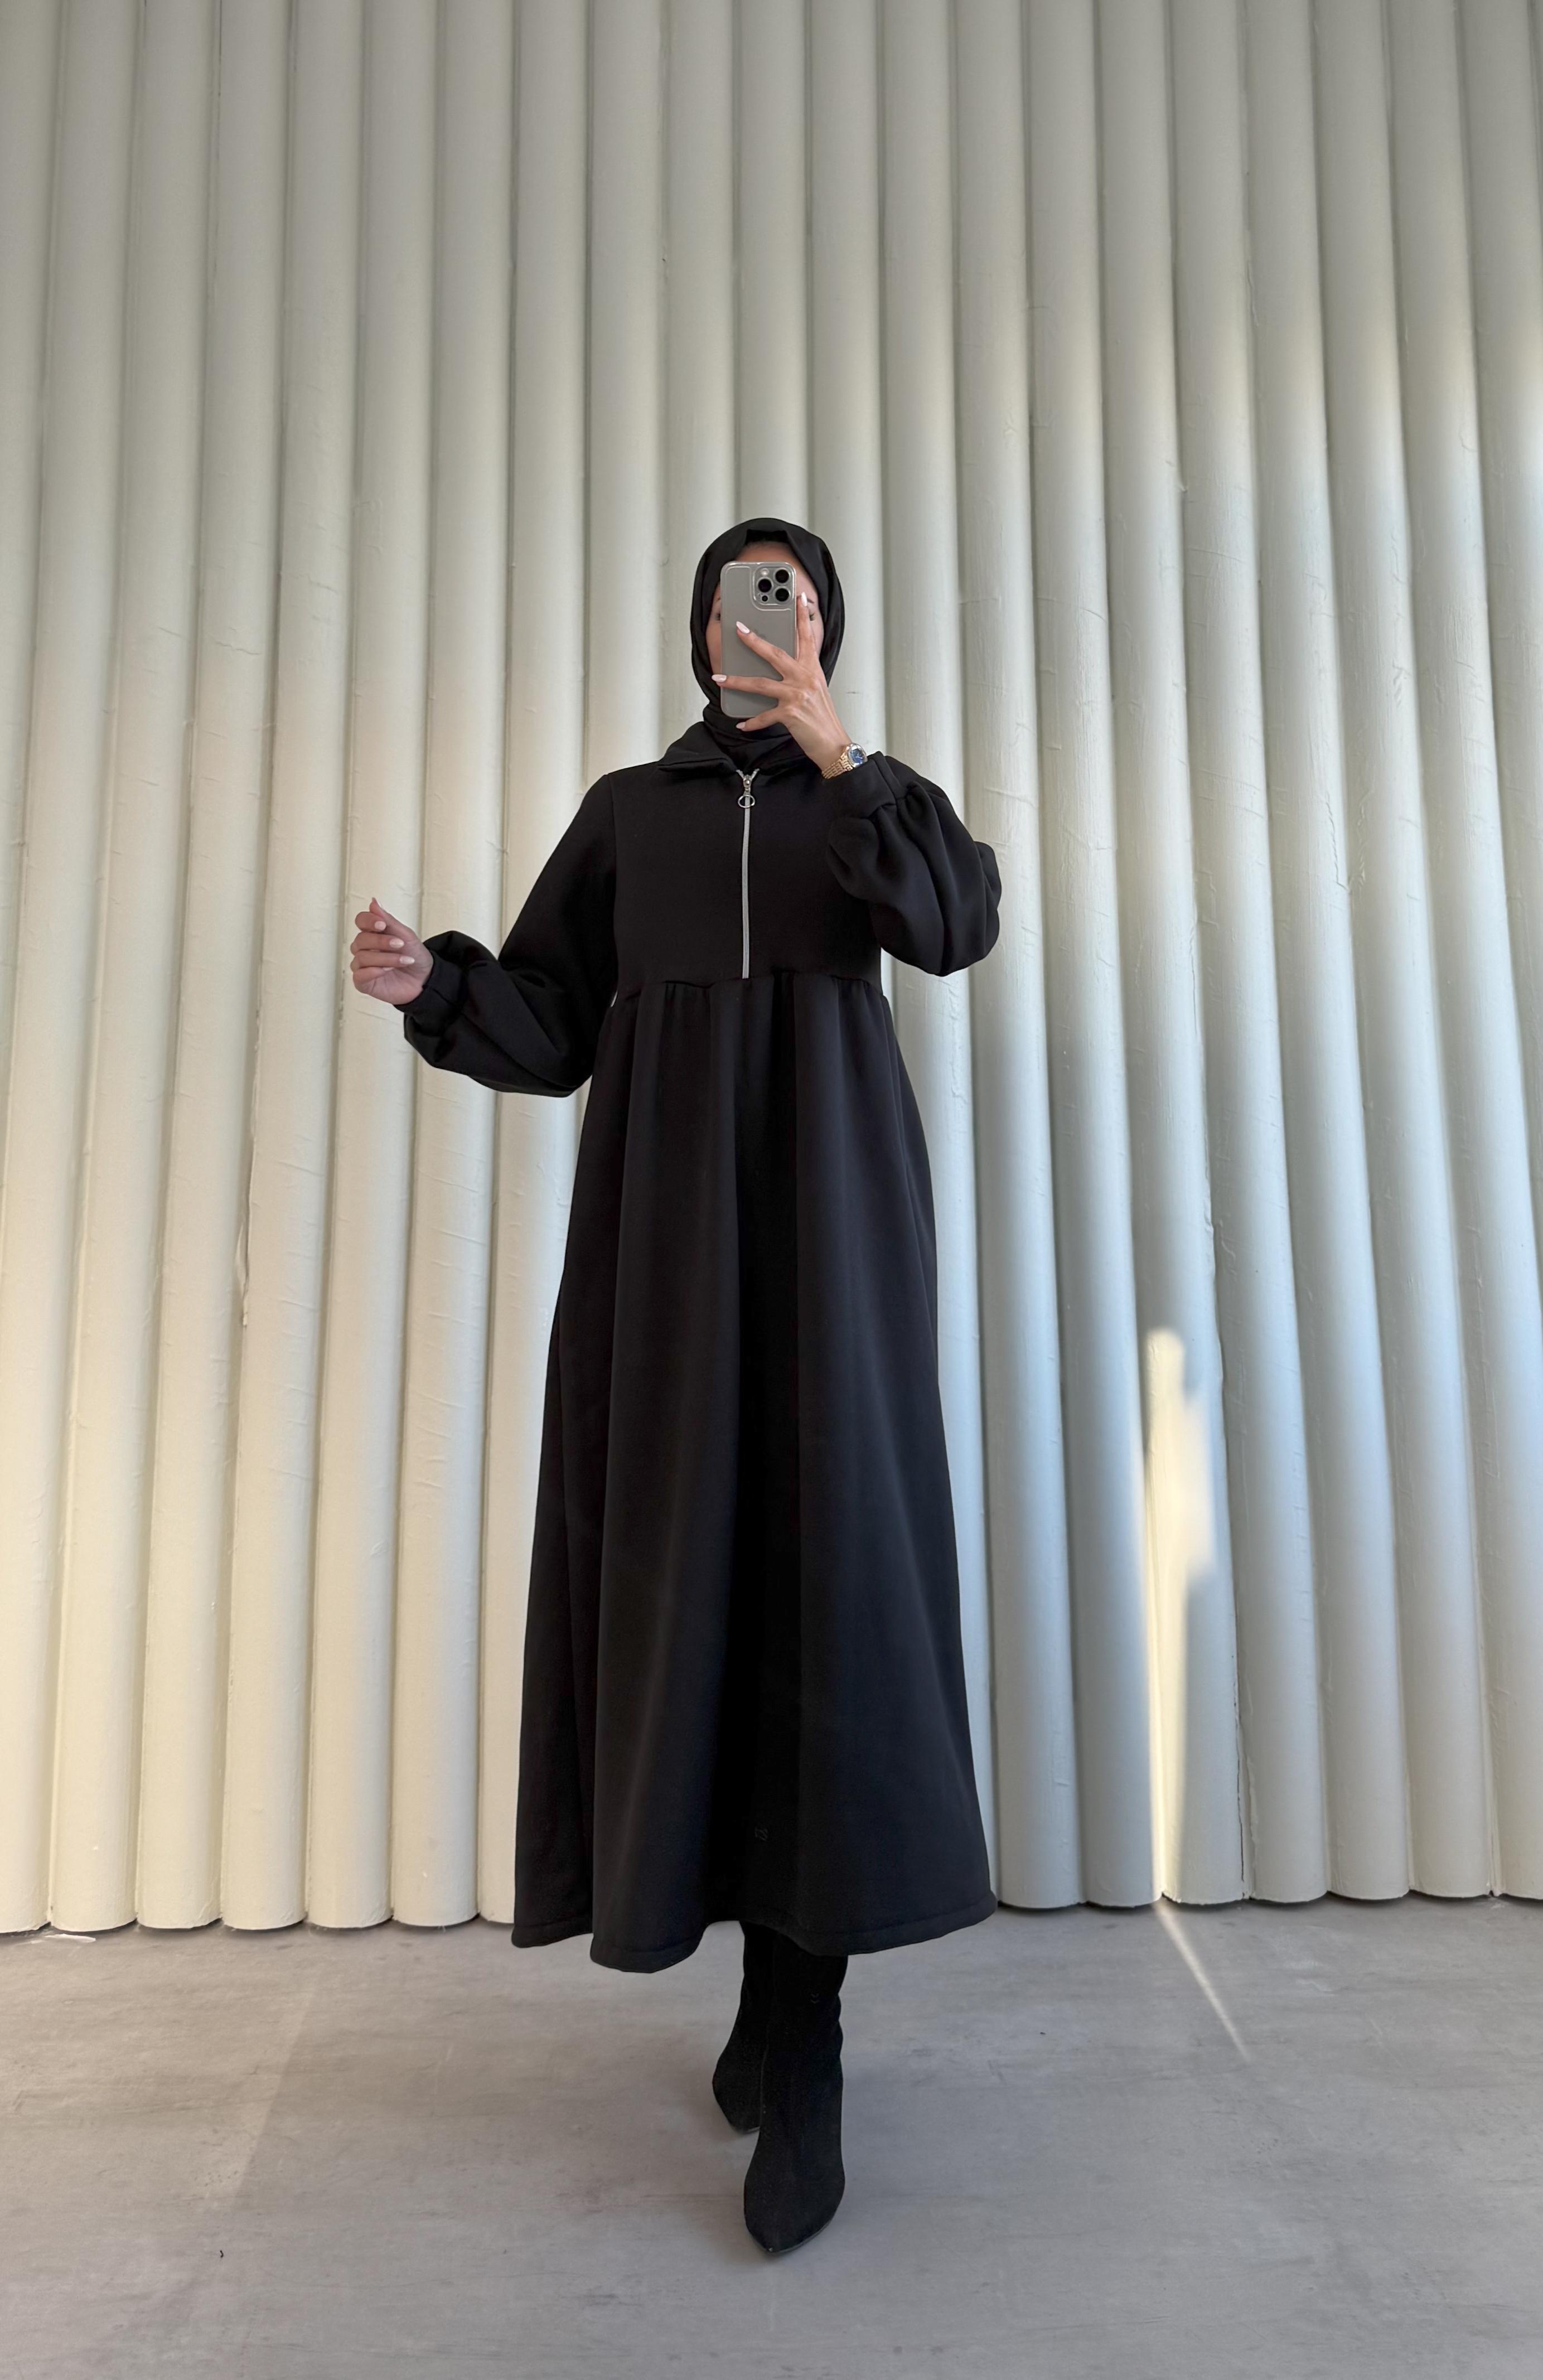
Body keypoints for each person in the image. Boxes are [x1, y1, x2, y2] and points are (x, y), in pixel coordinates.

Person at [350, 515, 1003, 2256]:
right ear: (699, 626)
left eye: (791, 601)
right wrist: (437, 986)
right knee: (690, 1582)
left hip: (836, 1244)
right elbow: (555, 1019)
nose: (760, 623)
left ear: (826, 630)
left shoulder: (871, 807)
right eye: (737, 598)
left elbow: (957, 924)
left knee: (830, 1589)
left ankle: (808, 2033)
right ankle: (760, 1994)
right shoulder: (630, 815)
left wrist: (847, 760)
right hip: (664, 1259)